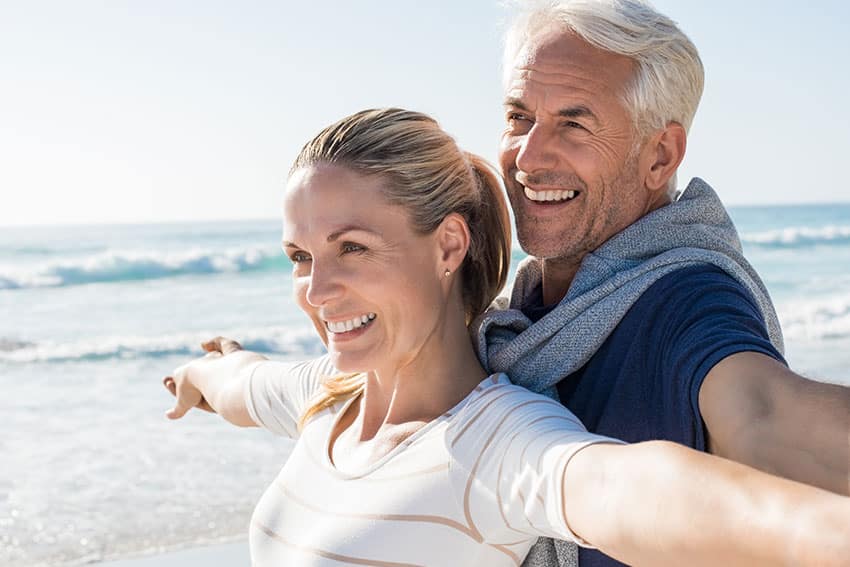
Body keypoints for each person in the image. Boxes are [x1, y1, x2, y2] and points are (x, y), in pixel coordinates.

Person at [164, 108, 850, 567]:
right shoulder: (326, 393)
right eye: (299, 256)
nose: (315, 290)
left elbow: (634, 485)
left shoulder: (495, 442)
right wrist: (199, 376)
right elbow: (241, 383)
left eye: (353, 248)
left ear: (448, 245)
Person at [471, 1, 850, 565]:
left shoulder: (688, 300)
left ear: (660, 155)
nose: (528, 156)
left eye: (574, 123)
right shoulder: (517, 315)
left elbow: (765, 412)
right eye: (519, 117)